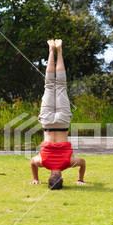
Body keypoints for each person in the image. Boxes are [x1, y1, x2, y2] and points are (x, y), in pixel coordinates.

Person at [30, 39, 86, 189]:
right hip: (48, 123)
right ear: (49, 177)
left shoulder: (68, 163)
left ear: (62, 179)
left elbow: (83, 162)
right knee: (49, 86)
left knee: (61, 85)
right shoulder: (43, 162)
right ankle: (51, 50)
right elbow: (32, 162)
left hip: (62, 123)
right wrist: (35, 178)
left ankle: (59, 50)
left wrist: (80, 179)